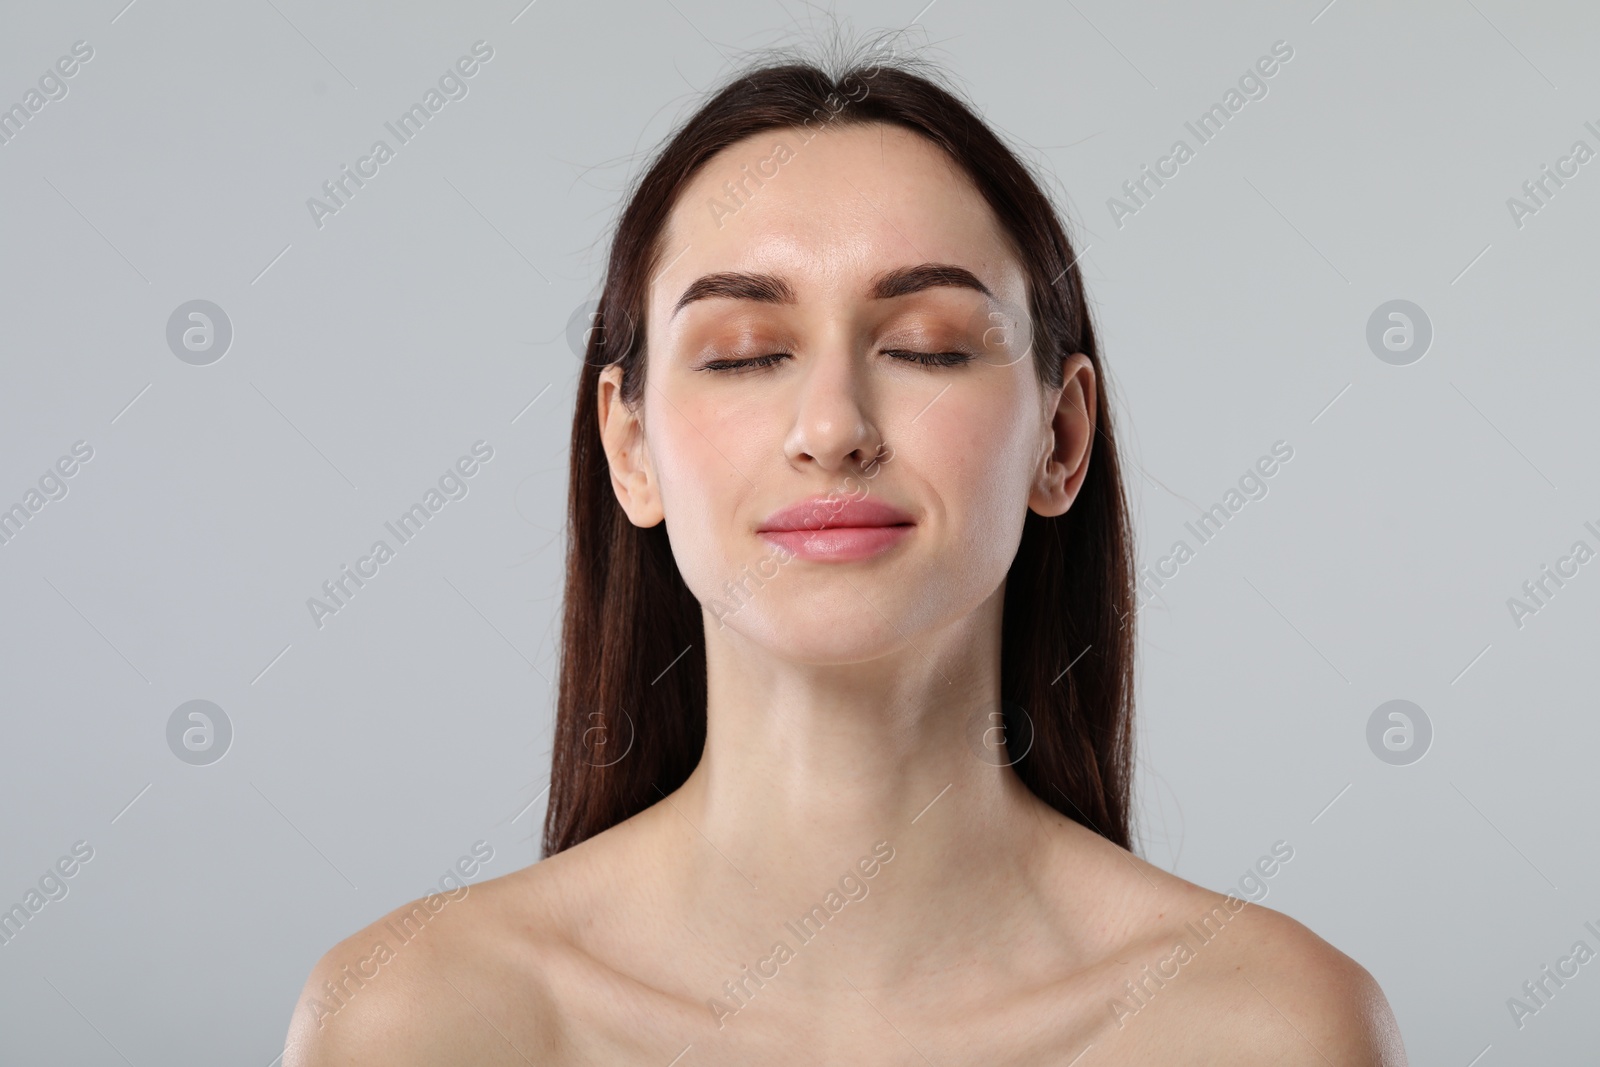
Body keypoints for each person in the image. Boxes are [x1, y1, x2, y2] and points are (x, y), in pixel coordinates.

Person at [284, 33, 1407, 1065]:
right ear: (629, 448)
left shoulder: (1266, 1027)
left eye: (926, 346)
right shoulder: (420, 1017)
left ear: (1059, 438)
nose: (832, 427)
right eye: (741, 352)